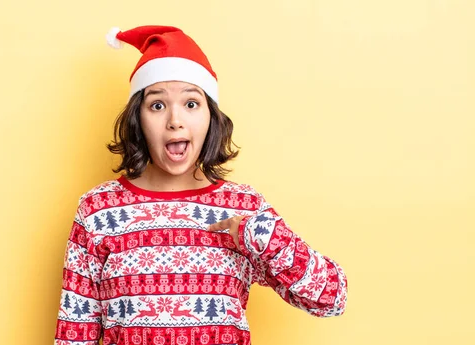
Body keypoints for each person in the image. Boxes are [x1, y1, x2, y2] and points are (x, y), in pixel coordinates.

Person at [53, 25, 347, 345]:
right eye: (157, 105)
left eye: (191, 104)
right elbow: (74, 333)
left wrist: (270, 240)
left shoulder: (243, 209)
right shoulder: (98, 210)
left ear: (211, 118)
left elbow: (332, 299)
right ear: (138, 119)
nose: (175, 120)